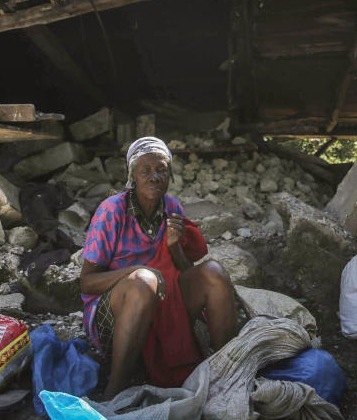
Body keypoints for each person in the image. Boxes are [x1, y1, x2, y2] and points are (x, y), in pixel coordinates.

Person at [80, 136, 238, 398]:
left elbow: (184, 272)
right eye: (145, 171)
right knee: (143, 282)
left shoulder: (172, 207)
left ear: (170, 175)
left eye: (161, 170)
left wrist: (175, 246)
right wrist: (137, 272)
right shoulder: (112, 210)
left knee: (214, 273)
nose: (154, 177)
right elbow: (87, 282)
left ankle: (230, 371)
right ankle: (115, 389)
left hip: (166, 303)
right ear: (133, 176)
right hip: (117, 312)